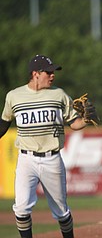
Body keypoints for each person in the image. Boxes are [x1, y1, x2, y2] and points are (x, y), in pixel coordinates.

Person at [0, 54, 93, 238]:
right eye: (48, 72)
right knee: (21, 207)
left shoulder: (58, 94)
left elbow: (73, 123)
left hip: (52, 159)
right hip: (26, 159)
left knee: (61, 211)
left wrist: (87, 120)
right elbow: (4, 123)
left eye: (53, 72)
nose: (53, 75)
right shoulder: (14, 96)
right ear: (35, 74)